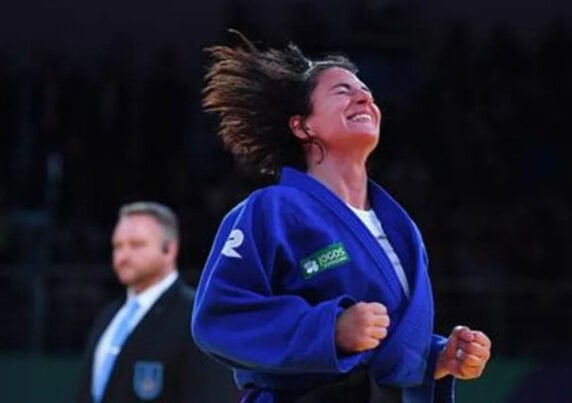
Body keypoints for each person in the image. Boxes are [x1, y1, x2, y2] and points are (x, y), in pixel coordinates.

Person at [191, 31, 492, 403]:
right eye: (342, 91)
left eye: (366, 90)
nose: (364, 97)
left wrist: (436, 357)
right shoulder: (270, 210)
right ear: (303, 126)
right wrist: (329, 330)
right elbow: (218, 317)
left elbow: (384, 346)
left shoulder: (400, 229)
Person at [76, 201, 239, 402]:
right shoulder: (109, 315)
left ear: (169, 250)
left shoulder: (197, 316)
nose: (123, 256)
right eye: (117, 246)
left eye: (136, 245)